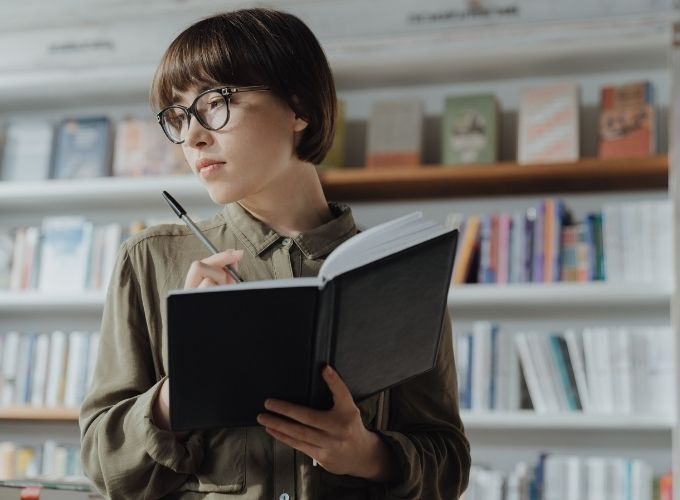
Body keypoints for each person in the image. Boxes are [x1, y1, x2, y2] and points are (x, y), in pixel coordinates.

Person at [79, 7, 470, 500]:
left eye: (216, 101)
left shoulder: (397, 268)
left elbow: (450, 467)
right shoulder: (149, 259)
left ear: (299, 106)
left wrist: (365, 454)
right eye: (177, 116)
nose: (193, 135)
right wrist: (186, 383)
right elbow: (104, 467)